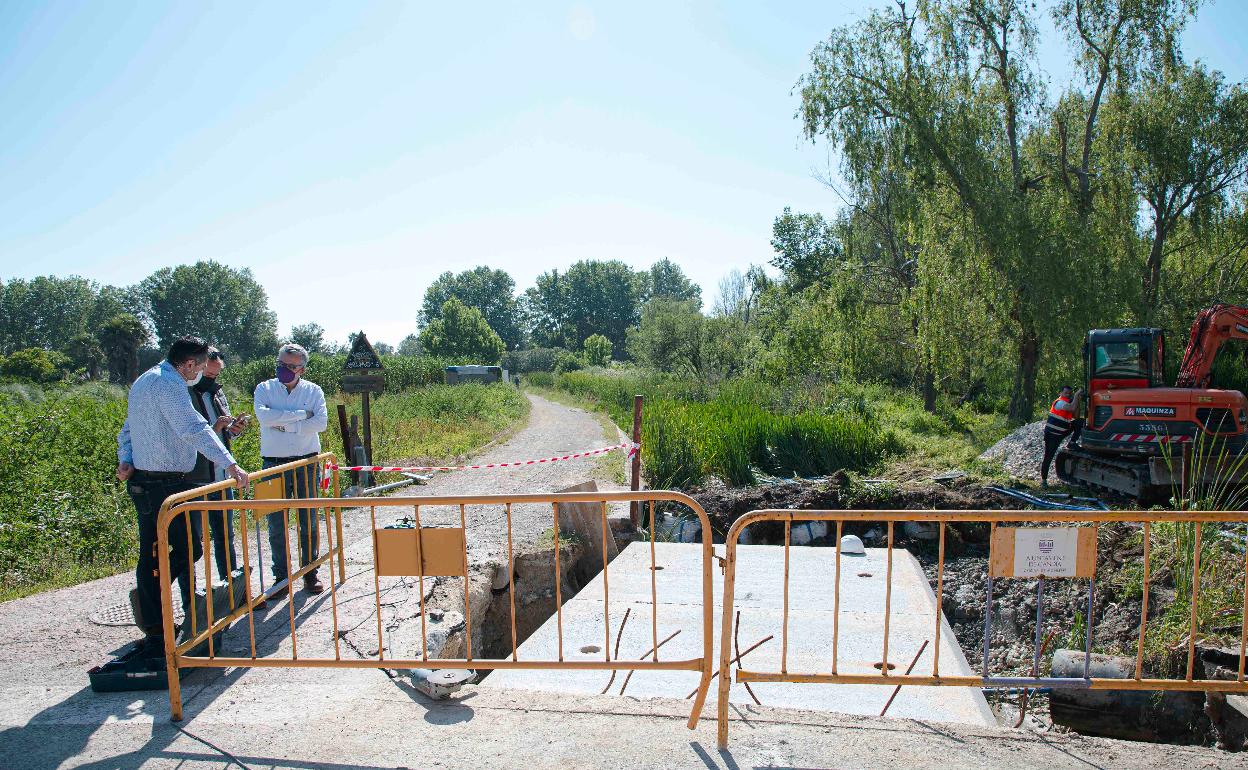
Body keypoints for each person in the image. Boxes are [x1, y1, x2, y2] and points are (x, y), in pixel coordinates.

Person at [116, 337, 249, 657]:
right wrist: (229, 463)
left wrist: (126, 455)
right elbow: (194, 428)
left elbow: (128, 429)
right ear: (189, 365)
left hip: (150, 481)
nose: (202, 372)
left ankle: (152, 606)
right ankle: (152, 614)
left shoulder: (145, 380)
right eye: (202, 366)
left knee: (167, 552)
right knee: (173, 553)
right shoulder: (170, 385)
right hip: (162, 484)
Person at [254, 342, 329, 595]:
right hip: (272, 464)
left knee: (308, 520)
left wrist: (284, 423)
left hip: (305, 462)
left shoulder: (313, 391)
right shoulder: (264, 388)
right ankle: (281, 578)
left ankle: (310, 573)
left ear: (302, 369)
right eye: (282, 364)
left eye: (291, 366)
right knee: (276, 524)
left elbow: (320, 422)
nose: (285, 369)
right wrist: (300, 415)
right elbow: (264, 417)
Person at [188, 347, 249, 580]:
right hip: (196, 478)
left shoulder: (217, 393)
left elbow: (226, 434)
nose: (212, 379)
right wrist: (215, 429)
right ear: (197, 368)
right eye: (208, 374)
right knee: (192, 542)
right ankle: (193, 598)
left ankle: (231, 585)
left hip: (222, 476)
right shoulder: (183, 395)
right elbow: (188, 437)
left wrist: (234, 429)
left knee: (226, 534)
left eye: (217, 375)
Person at [1040, 385, 1084, 488]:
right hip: (1052, 435)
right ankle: (1044, 480)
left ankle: (1072, 443)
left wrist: (1078, 400)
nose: (1068, 395)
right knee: (1048, 456)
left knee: (1080, 422)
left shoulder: (1068, 403)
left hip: (1062, 432)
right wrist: (1077, 395)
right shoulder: (1059, 403)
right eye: (1066, 393)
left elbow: (1076, 416)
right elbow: (1072, 407)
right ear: (1060, 393)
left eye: (1070, 394)